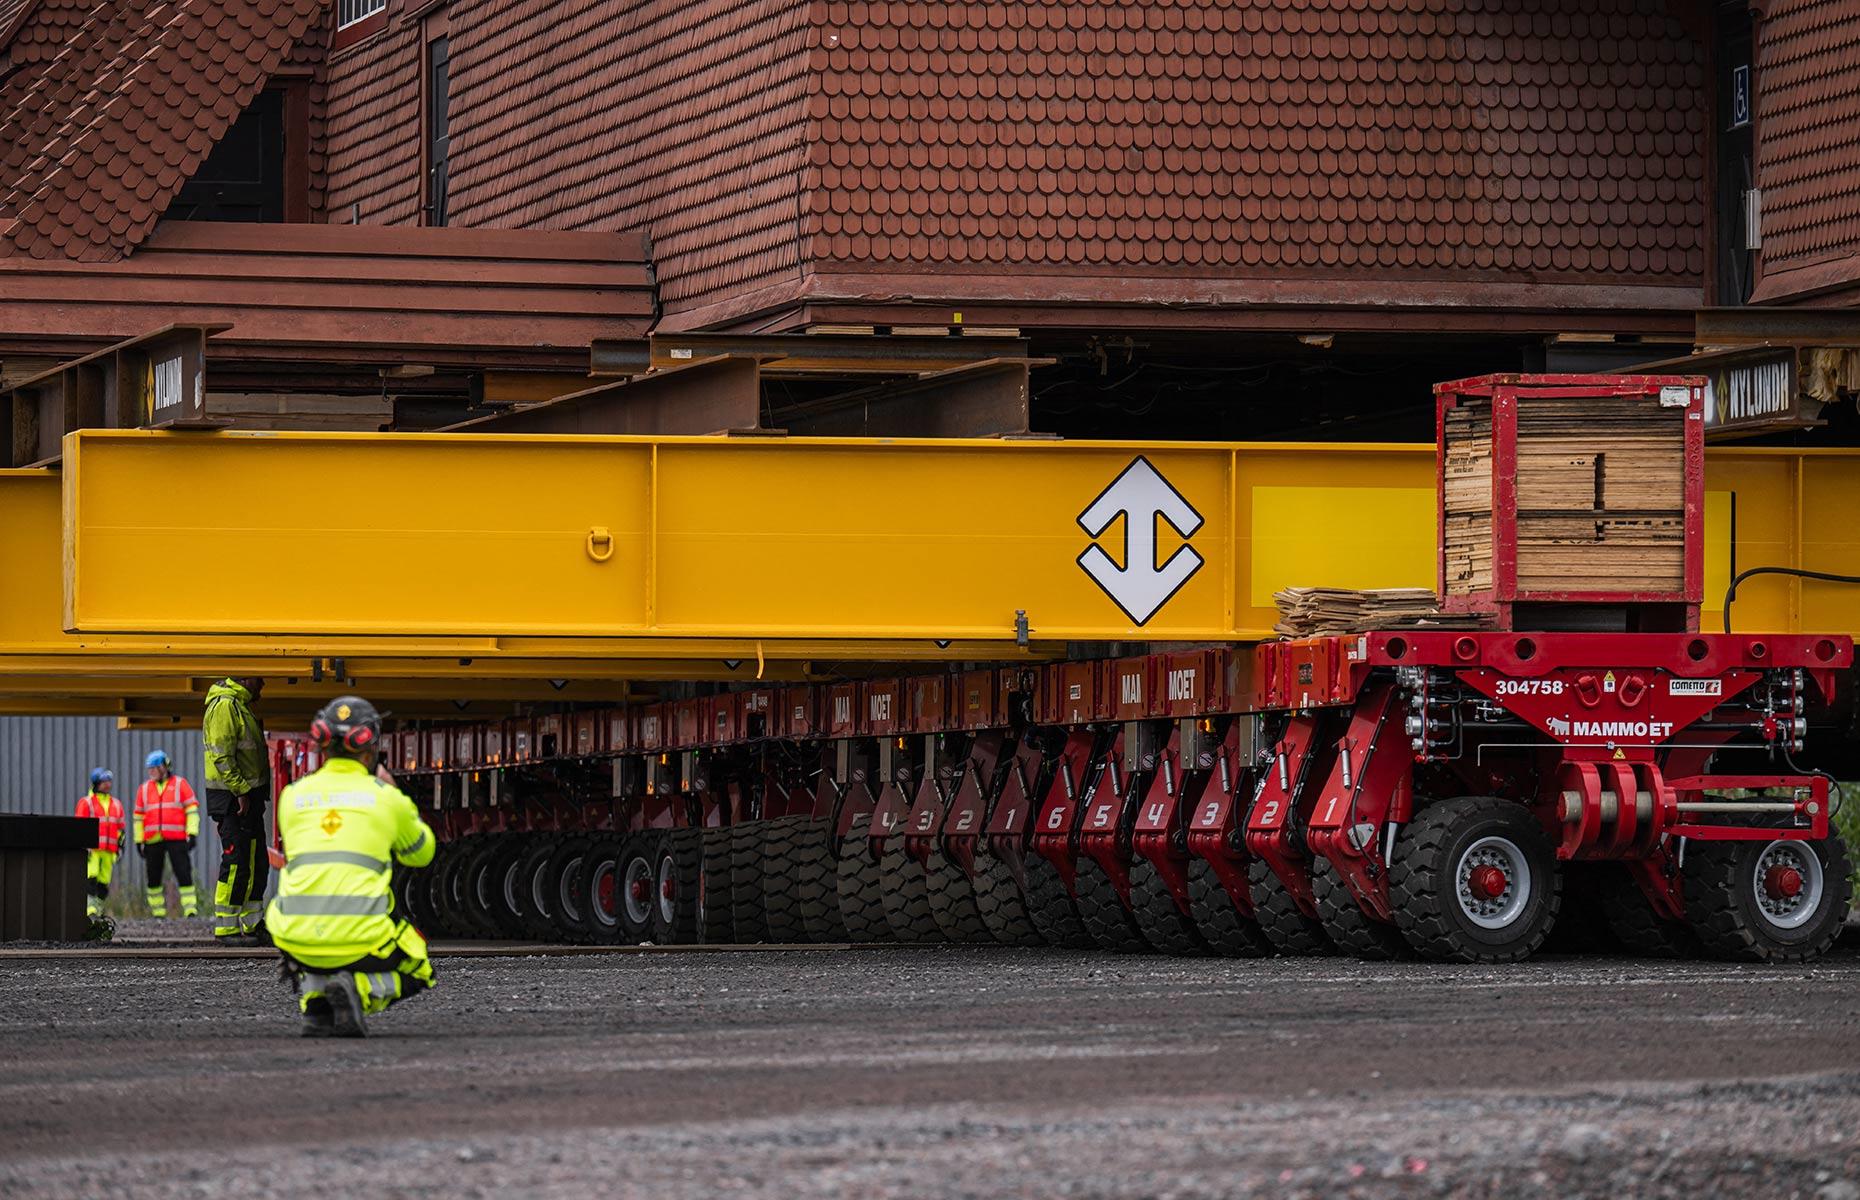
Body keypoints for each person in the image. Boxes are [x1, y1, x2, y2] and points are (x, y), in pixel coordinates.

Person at [270, 695, 436, 1038]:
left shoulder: (292, 796)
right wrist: (397, 797)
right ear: (369, 747)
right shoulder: (385, 798)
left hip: (293, 936)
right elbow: (421, 854)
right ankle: (359, 992)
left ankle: (316, 1006)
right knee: (419, 965)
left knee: (319, 938)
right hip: (360, 938)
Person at [203, 676, 270, 942]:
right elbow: (222, 755)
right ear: (245, 678)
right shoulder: (225, 706)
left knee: (256, 863)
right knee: (236, 862)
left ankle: (252, 923)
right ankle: (226, 927)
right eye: (260, 681)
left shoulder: (239, 705)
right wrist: (240, 790)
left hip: (247, 797)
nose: (263, 686)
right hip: (233, 799)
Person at [134, 749, 200, 918]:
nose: (151, 772)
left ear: (165, 767)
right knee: (153, 877)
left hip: (177, 838)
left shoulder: (180, 784)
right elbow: (138, 817)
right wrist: (138, 840)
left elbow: (192, 810)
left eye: (154, 768)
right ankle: (158, 912)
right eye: (150, 769)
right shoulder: (144, 789)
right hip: (152, 839)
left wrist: (192, 833)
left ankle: (190, 909)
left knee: (184, 873)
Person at [75, 768, 125, 918]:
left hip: (109, 850)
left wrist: (120, 847)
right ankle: (90, 909)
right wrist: (83, 845)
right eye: (104, 782)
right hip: (92, 850)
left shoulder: (116, 804)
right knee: (91, 878)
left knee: (104, 883)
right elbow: (79, 826)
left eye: (109, 781)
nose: (108, 785)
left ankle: (98, 908)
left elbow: (121, 829)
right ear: (97, 783)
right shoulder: (86, 803)